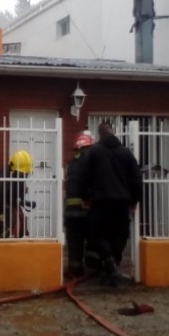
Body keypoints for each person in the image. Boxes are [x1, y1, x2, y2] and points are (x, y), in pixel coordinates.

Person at [84, 121, 143, 286]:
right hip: (122, 203)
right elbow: (137, 179)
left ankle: (109, 264)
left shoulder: (93, 152)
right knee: (120, 235)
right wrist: (134, 200)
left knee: (97, 234)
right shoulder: (126, 153)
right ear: (114, 132)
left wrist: (85, 197)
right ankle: (112, 267)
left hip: (100, 201)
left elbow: (85, 176)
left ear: (99, 134)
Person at [0, 149, 35, 238]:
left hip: (5, 203)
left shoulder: (17, 176)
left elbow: (17, 196)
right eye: (22, 173)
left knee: (19, 220)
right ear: (13, 168)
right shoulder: (2, 179)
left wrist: (25, 202)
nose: (24, 176)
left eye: (26, 174)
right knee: (11, 219)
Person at [63, 130, 95, 278]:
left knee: (74, 242)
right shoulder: (89, 164)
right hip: (86, 209)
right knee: (91, 239)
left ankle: (74, 269)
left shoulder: (70, 164)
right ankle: (91, 269)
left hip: (70, 211)